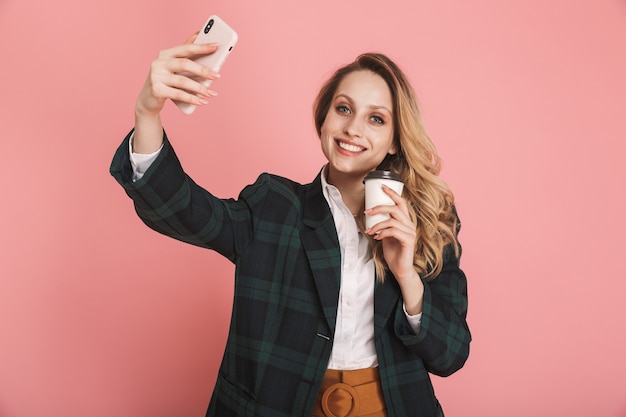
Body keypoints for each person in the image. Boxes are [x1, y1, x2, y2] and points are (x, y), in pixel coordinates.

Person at [110, 34, 471, 417]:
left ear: (395, 140)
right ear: (324, 118)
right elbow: (183, 210)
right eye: (343, 109)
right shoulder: (274, 206)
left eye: (376, 118)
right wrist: (147, 112)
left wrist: (405, 274)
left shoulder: (430, 222)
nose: (353, 128)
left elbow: (450, 355)